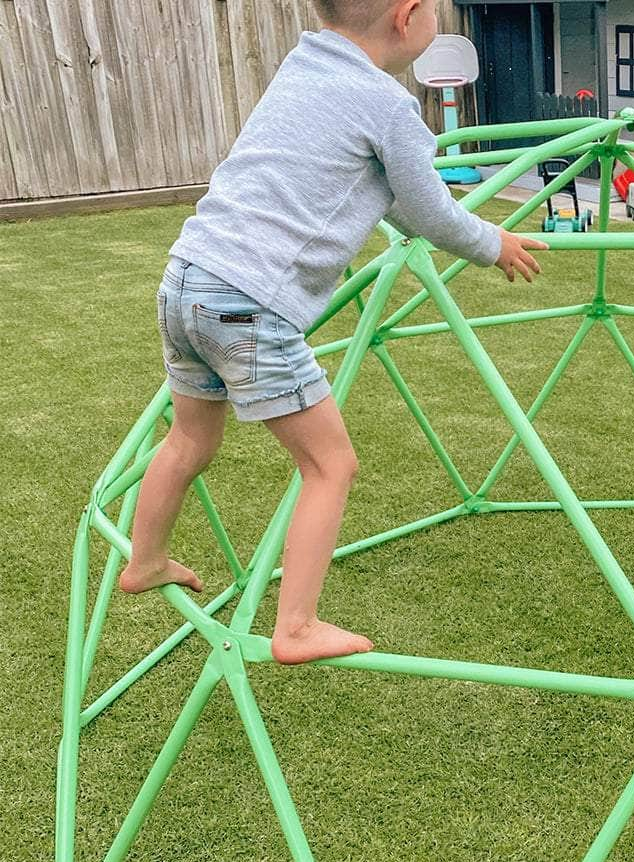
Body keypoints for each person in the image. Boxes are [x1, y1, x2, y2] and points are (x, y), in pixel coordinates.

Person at [120, 0, 546, 665]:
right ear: (408, 18)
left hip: (186, 281)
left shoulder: (303, 67)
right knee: (329, 464)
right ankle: (296, 625)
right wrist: (493, 244)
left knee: (189, 438)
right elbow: (431, 211)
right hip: (248, 302)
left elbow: (395, 201)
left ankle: (145, 560)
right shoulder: (386, 105)